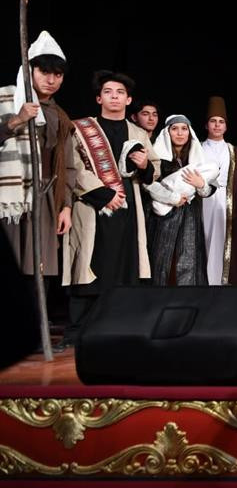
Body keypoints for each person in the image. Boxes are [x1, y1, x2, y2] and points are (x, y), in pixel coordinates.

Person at [64, 71, 159, 342]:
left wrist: (145, 165)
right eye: (108, 92)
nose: (114, 97)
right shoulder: (81, 129)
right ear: (99, 98)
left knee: (126, 263)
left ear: (128, 100)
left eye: (120, 93)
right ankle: (79, 330)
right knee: (90, 262)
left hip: (128, 207)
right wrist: (104, 194)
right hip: (93, 204)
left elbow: (155, 169)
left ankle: (121, 325)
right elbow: (73, 167)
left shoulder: (139, 132)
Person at [0, 31, 74, 280]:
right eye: (44, 72)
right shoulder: (5, 99)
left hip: (44, 197)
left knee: (37, 269)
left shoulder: (60, 116)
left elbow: (67, 166)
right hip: (10, 198)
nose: (51, 80)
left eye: (58, 74)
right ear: (29, 70)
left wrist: (66, 206)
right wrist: (17, 120)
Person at [146, 115, 216, 285]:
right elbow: (147, 184)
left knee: (189, 259)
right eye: (175, 129)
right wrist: (173, 198)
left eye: (184, 129)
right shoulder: (157, 157)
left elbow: (208, 190)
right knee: (161, 259)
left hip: (190, 215)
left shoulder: (197, 159)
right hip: (163, 217)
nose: (180, 133)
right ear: (167, 132)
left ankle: (188, 297)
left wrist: (201, 184)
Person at [201, 96, 237, 285]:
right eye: (213, 121)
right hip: (203, 201)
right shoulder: (198, 148)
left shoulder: (234, 151)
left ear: (226, 126)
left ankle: (223, 284)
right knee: (204, 241)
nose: (217, 125)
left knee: (224, 243)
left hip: (227, 205)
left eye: (221, 122)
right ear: (206, 125)